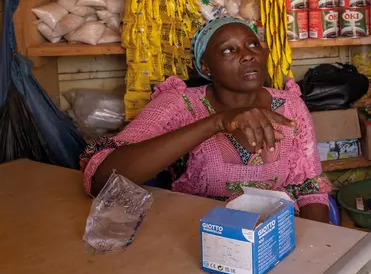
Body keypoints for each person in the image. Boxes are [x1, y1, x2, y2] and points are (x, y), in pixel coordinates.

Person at [81, 17, 330, 223]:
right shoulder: (178, 105)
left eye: (253, 44)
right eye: (228, 50)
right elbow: (101, 180)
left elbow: (311, 188)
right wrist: (217, 123)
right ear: (206, 66)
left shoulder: (291, 106)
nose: (247, 56)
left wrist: (311, 246)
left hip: (273, 235)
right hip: (199, 236)